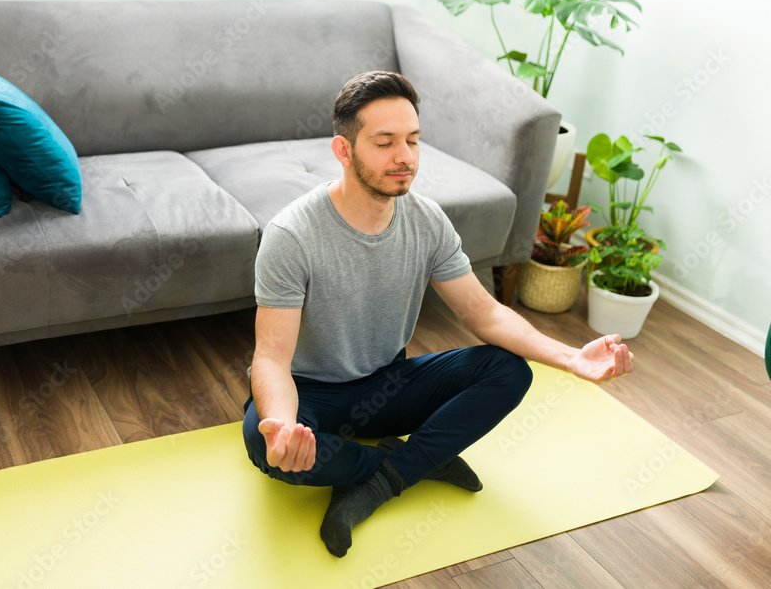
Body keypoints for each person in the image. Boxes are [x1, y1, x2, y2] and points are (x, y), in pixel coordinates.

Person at [241, 70, 634, 558]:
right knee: (264, 448)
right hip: (312, 397)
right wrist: (282, 427)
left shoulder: (426, 221)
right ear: (343, 151)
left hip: (388, 384)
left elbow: (484, 313)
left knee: (507, 369)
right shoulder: (292, 236)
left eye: (412, 140)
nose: (405, 157)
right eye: (385, 142)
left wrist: (572, 357)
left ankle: (383, 478)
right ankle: (410, 465)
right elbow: (272, 359)